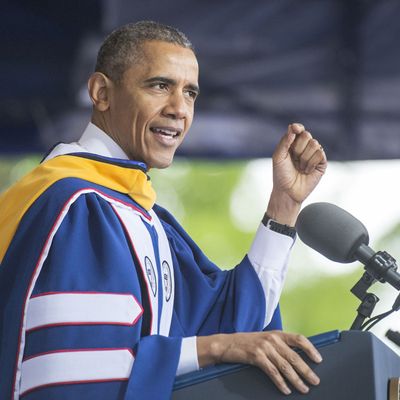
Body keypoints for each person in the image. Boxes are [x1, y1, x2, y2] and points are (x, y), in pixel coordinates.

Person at [0, 21, 327, 399]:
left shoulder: (145, 218)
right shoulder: (73, 206)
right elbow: (73, 373)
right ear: (102, 92)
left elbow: (235, 331)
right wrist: (216, 348)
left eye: (190, 93)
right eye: (159, 86)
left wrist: (284, 204)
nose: (179, 109)